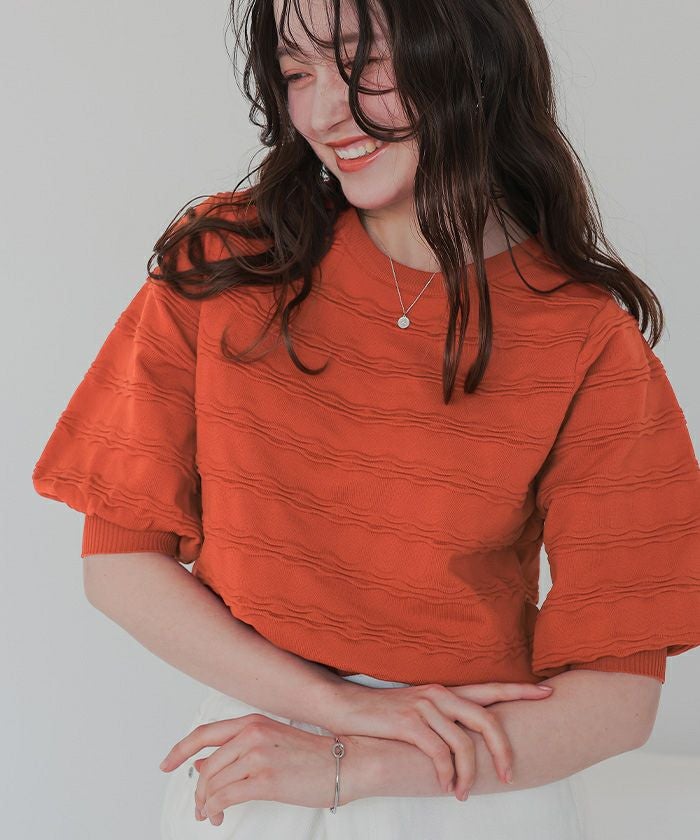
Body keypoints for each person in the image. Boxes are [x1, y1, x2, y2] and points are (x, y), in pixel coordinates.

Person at [32, 0, 700, 838]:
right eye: (297, 71)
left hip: (466, 789)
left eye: (361, 64)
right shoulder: (226, 264)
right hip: (258, 768)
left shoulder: (586, 341)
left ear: (471, 56)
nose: (322, 112)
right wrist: (338, 708)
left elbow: (619, 697)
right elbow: (120, 563)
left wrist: (360, 762)